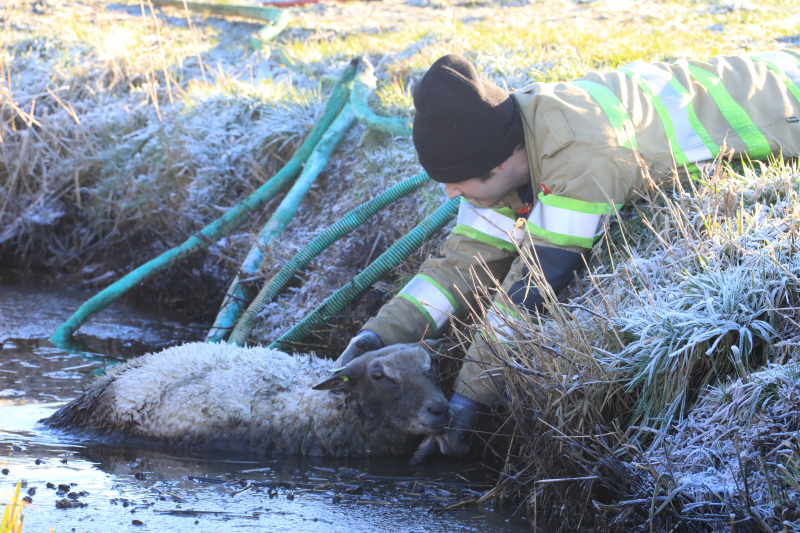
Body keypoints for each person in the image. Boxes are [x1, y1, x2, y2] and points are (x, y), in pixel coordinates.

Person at [334, 49, 800, 461]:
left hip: (783, 98)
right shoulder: (506, 133)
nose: (449, 192)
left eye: (457, 181)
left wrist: (468, 400)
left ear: (499, 164)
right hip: (746, 76)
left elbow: (533, 284)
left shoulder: (580, 155)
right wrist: (377, 335)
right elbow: (462, 264)